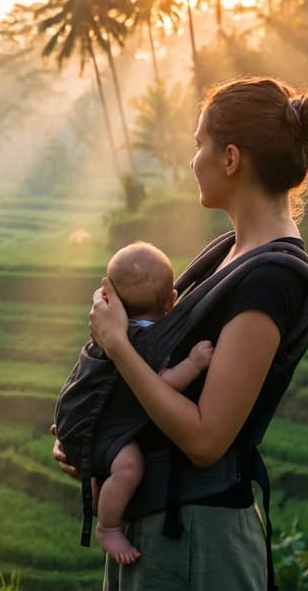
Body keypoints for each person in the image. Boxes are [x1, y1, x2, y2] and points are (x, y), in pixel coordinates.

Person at [52, 75, 308, 590]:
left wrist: (116, 345)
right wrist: (98, 439)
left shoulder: (270, 279)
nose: (193, 162)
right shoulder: (229, 253)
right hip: (166, 529)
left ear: (230, 158)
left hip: (195, 539)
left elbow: (207, 439)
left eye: (199, 146)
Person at [92, 241, 215, 565]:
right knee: (129, 467)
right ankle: (107, 527)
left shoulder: (107, 327)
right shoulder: (148, 340)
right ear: (171, 302)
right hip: (113, 429)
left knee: (103, 469)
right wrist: (195, 363)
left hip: (96, 419)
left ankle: (98, 500)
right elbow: (162, 384)